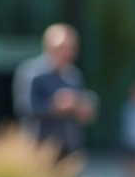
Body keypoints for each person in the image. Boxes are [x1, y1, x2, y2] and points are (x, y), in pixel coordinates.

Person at [28, 23, 97, 159]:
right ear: (48, 46)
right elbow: (24, 107)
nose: (68, 52)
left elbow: (81, 112)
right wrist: (55, 105)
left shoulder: (74, 75)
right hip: (42, 149)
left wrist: (83, 109)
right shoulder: (31, 72)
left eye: (72, 48)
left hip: (70, 148)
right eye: (62, 47)